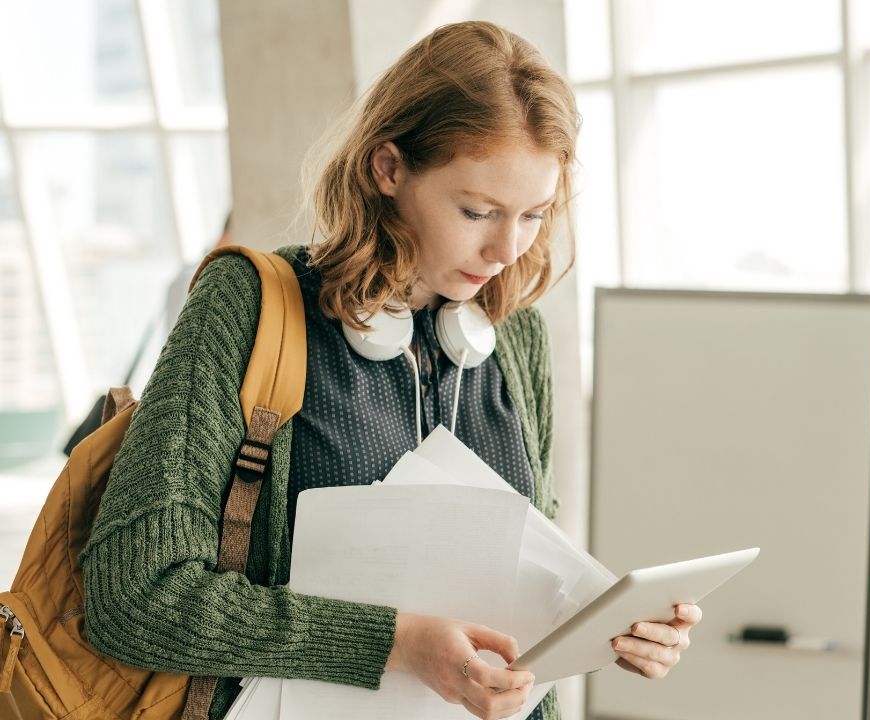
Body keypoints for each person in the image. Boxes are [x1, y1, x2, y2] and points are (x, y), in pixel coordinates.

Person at [79, 20, 701, 720]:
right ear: (388, 169)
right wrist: (395, 644)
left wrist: (602, 627)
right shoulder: (252, 306)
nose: (505, 248)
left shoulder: (515, 340)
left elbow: (526, 602)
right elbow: (133, 596)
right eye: (477, 210)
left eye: (533, 214)